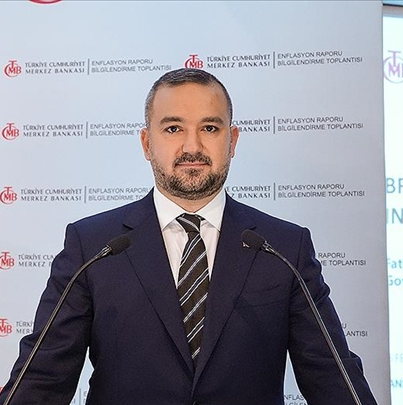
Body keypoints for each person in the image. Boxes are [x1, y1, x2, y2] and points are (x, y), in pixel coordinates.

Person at [0, 68, 378, 405]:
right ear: (147, 143)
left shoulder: (283, 248)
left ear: (232, 141)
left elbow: (333, 378)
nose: (192, 146)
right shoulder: (93, 246)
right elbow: (41, 380)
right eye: (173, 129)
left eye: (210, 128)